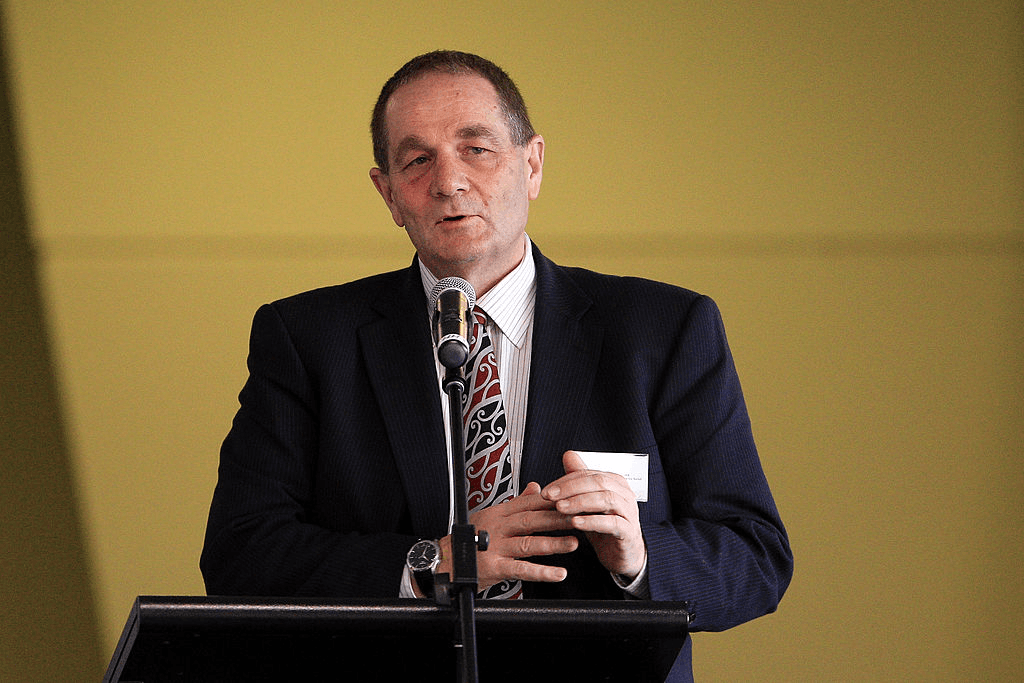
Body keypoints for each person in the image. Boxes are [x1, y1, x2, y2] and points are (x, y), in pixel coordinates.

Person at [200, 50, 792, 681]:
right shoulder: (309, 338)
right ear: (389, 195)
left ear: (532, 164)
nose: (449, 182)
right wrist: (432, 563)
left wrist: (639, 555)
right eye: (417, 160)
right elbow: (241, 556)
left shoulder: (662, 329)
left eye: (477, 148)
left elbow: (754, 559)